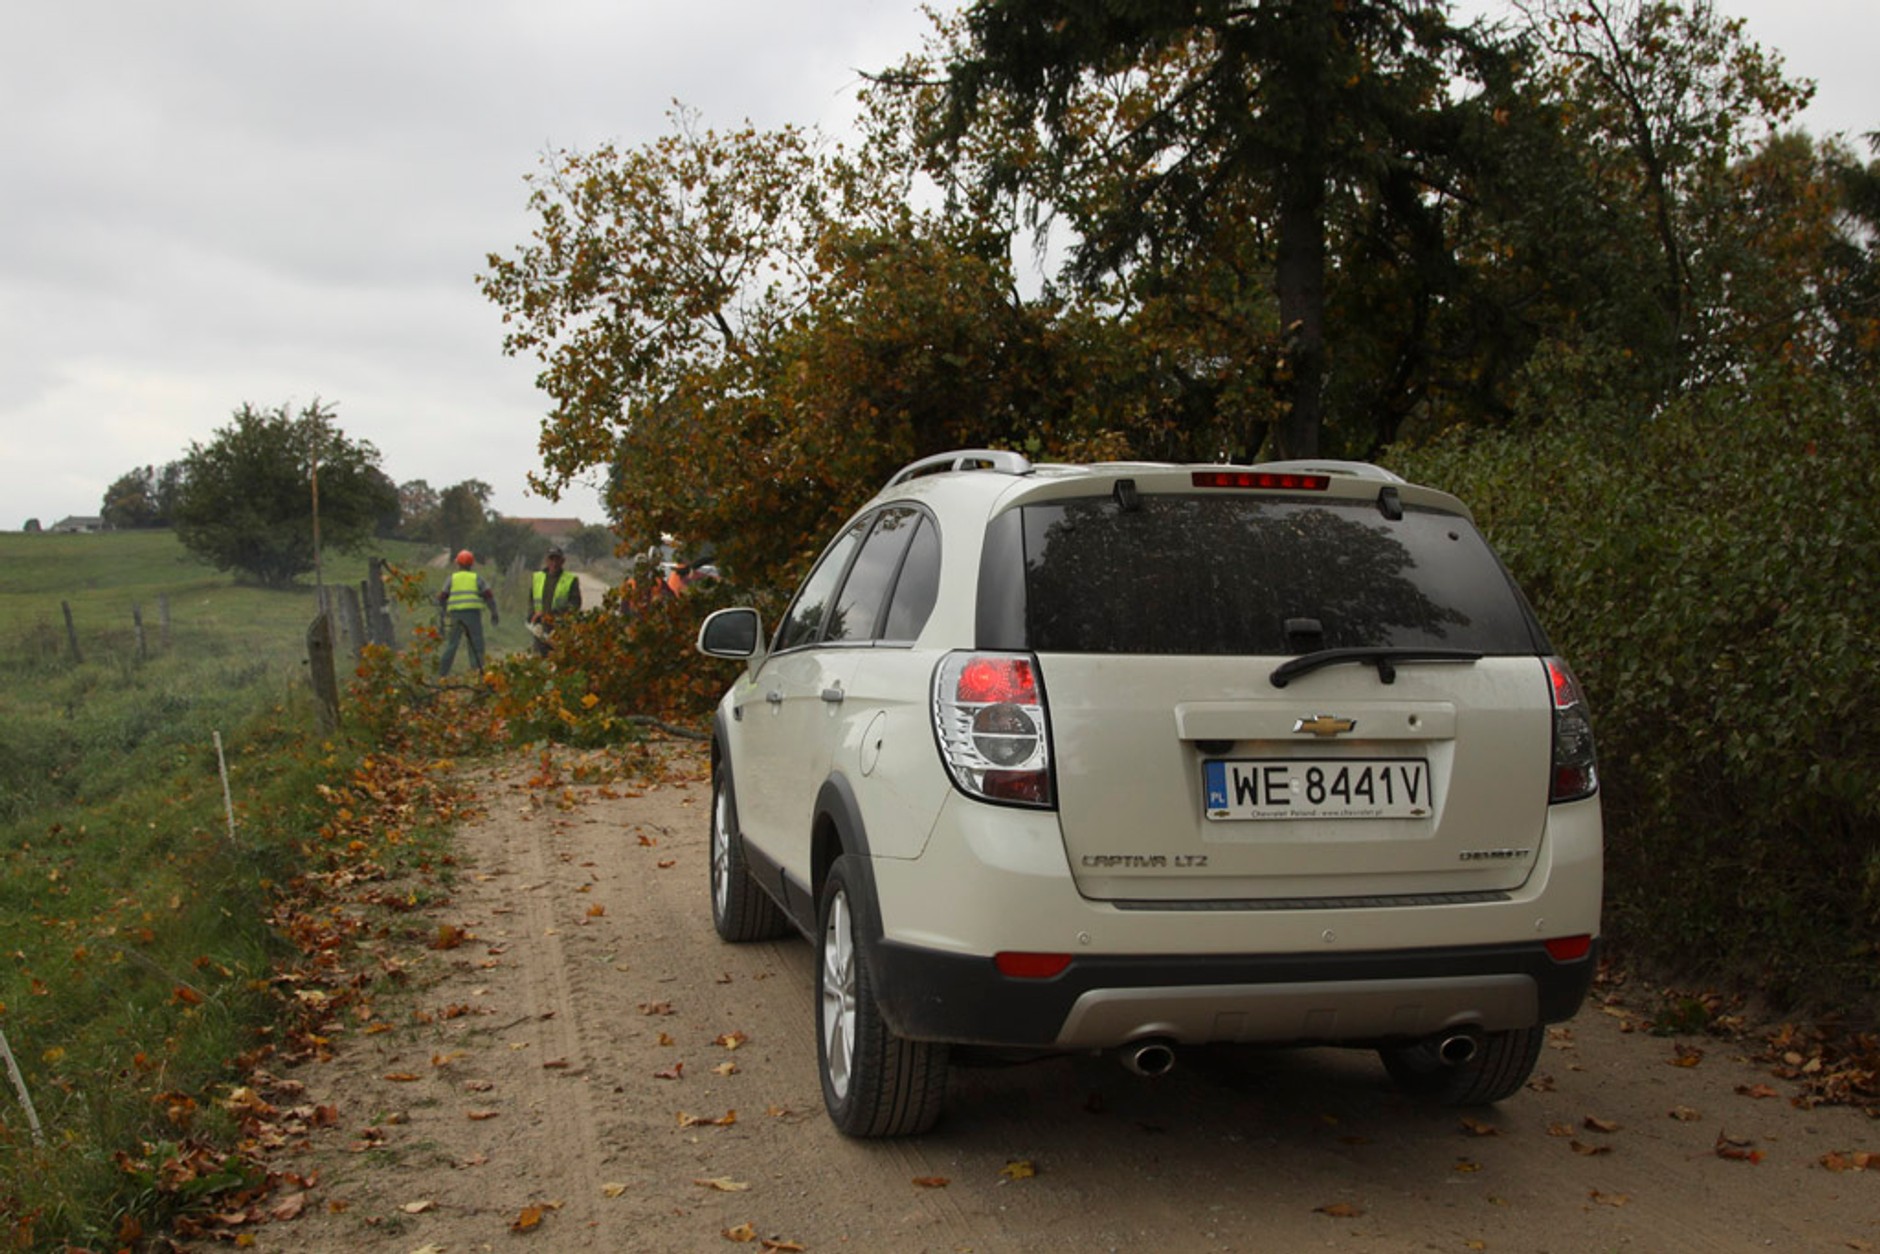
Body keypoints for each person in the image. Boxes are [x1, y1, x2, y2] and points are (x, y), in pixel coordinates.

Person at [437, 549, 498, 676]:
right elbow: (489, 596)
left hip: (456, 616)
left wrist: (442, 617)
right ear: (472, 564)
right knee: (476, 645)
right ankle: (478, 674)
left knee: (452, 645)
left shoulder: (451, 579)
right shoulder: (477, 578)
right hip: (473, 616)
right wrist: (494, 612)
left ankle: (441, 674)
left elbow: (442, 597)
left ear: (457, 563)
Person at [528, 545, 583, 656]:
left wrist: (550, 615)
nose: (554, 563)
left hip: (560, 628)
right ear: (546, 561)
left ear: (562, 561)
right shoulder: (537, 577)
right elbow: (531, 600)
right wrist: (531, 616)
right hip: (540, 629)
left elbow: (575, 604)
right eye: (551, 559)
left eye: (557, 559)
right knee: (539, 661)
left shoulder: (570, 580)